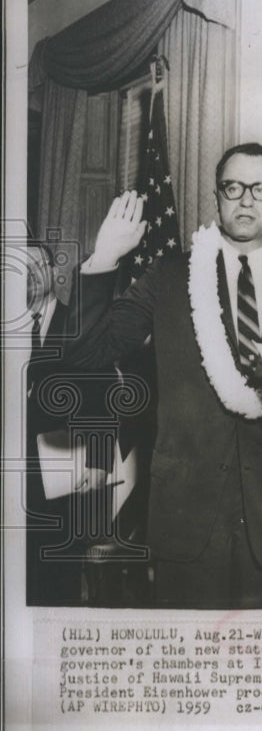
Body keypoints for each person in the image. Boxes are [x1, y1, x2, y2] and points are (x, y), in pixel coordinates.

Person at [64, 142, 262, 608]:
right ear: (217, 196)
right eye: (234, 187)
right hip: (184, 517)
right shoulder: (169, 276)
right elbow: (86, 356)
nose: (246, 199)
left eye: (260, 188)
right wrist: (102, 261)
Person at [26, 242, 116, 604]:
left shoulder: (78, 321)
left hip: (65, 472)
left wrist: (97, 461)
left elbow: (104, 392)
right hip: (18, 476)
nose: (28, 275)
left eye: (37, 265)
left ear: (52, 271)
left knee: (57, 576)